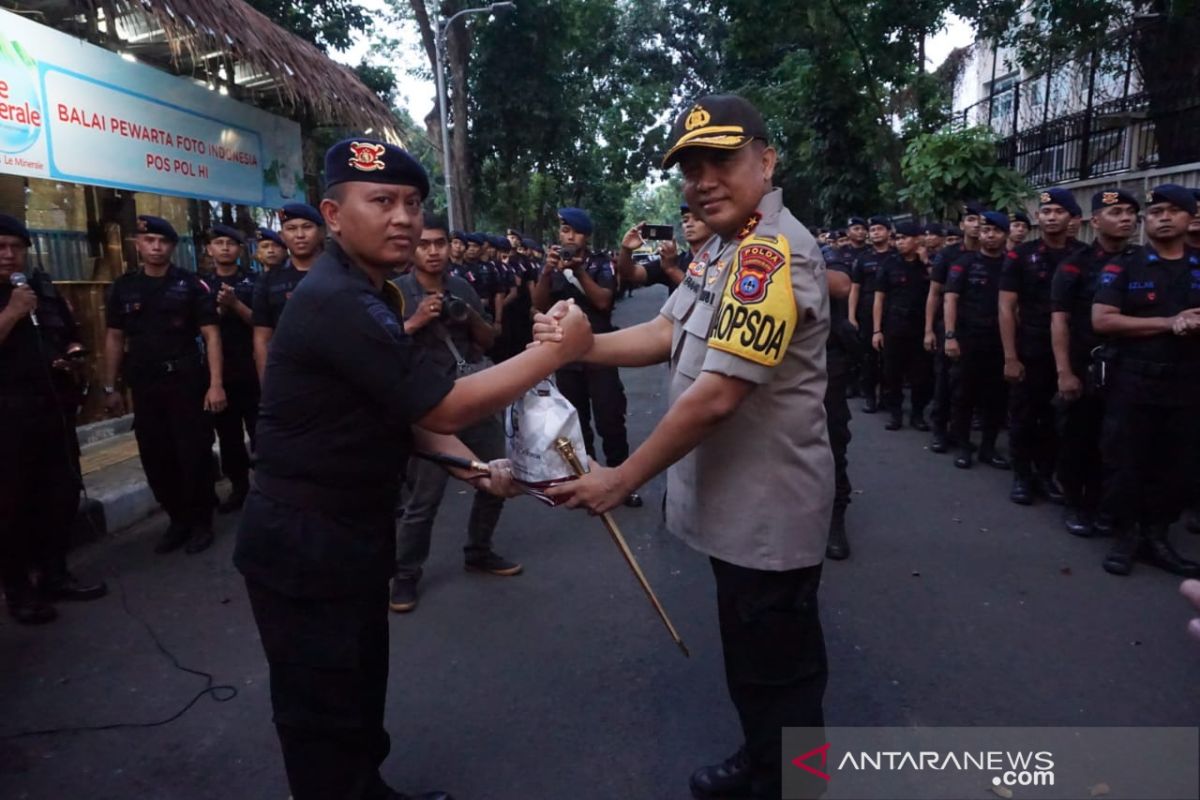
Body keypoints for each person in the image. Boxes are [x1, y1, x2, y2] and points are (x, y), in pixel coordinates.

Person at [234, 137, 594, 800]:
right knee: (321, 713)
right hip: (305, 539)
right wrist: (552, 355)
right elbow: (448, 404)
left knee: (358, 690)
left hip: (349, 529)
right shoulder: (336, 299)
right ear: (334, 215)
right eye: (382, 202)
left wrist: (477, 469)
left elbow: (409, 418)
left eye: (412, 202)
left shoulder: (372, 294)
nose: (403, 217)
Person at [538, 94, 832, 800]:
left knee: (781, 670)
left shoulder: (772, 254)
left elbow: (719, 394)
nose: (702, 179)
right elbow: (667, 332)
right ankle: (763, 761)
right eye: (690, 166)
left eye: (721, 160)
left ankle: (792, 783)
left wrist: (620, 477)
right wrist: (581, 346)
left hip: (769, 510)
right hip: (736, 507)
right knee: (752, 657)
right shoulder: (725, 249)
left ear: (766, 160)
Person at [389, 213, 521, 613]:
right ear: (411, 248)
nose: (433, 251)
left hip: (471, 396)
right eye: (424, 244)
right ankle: (406, 575)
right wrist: (415, 321)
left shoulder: (462, 284)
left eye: (439, 244)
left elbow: (487, 340)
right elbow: (377, 346)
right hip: (427, 407)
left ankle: (479, 550)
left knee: (496, 475)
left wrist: (470, 314)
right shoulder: (393, 291)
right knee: (424, 499)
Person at [0, 214, 107, 624]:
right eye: (1, 246)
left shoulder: (39, 290)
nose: (10, 255)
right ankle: (19, 591)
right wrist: (11, 311)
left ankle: (55, 574)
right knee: (12, 506)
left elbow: (67, 333)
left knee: (59, 495)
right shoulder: (16, 299)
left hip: (51, 411)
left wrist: (73, 352)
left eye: (16, 247)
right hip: (7, 420)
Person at [1091, 184, 1200, 578]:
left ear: (1190, 219)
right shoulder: (1125, 265)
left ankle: (1158, 536)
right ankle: (1127, 537)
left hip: (1187, 385)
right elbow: (1102, 320)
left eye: (1173, 211)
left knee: (1176, 465)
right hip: (1133, 382)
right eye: (1156, 212)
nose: (1164, 217)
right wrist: (1169, 323)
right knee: (1126, 461)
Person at [104, 215, 226, 554]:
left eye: (163, 241)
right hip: (145, 386)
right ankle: (178, 519)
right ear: (138, 245)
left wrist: (216, 384)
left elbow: (211, 334)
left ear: (172, 246)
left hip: (186, 382)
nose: (156, 247)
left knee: (193, 453)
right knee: (156, 456)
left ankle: (201, 521)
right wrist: (109, 388)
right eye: (149, 241)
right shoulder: (124, 287)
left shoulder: (191, 285)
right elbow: (114, 337)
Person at [532, 207, 642, 508]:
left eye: (574, 231)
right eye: (564, 230)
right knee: (575, 421)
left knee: (610, 417)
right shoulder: (551, 264)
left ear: (586, 236)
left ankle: (622, 481)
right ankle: (584, 480)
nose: (568, 236)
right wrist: (546, 272)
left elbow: (604, 301)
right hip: (566, 355)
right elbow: (538, 305)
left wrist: (578, 271)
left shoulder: (598, 263)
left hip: (600, 351)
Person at [1050, 189, 1139, 538]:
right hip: (1086, 363)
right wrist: (1064, 372)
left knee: (1120, 442)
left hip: (1130, 367)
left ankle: (1110, 507)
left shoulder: (1143, 261)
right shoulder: (1076, 263)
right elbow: (1059, 320)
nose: (1126, 218)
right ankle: (1078, 503)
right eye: (1116, 212)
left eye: (1131, 212)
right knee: (1080, 438)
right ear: (1095, 220)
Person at [1000, 188, 1081, 505]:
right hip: (1030, 345)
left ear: (1073, 218)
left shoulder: (1082, 255)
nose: (1051, 217)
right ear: (1038, 218)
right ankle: (1022, 476)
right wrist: (1010, 356)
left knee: (1057, 417)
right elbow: (1006, 307)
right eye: (1046, 212)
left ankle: (1046, 474)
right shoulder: (1020, 255)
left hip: (1071, 349)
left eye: (1058, 212)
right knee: (1023, 414)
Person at [943, 211, 1011, 470]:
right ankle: (963, 445)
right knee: (963, 394)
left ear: (1005, 234)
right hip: (969, 337)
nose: (989, 235)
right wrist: (950, 335)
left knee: (996, 396)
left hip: (1000, 340)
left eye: (996, 231)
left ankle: (989, 447)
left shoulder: (1011, 264)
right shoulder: (964, 263)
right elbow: (950, 299)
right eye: (985, 230)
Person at [205, 224, 259, 513]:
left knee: (261, 430)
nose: (225, 247)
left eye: (231, 243)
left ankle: (267, 485)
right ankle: (239, 487)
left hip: (251, 370)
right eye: (219, 242)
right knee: (227, 435)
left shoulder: (253, 282)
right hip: (217, 374)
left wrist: (235, 304)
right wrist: (217, 310)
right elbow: (195, 327)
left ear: (240, 250)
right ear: (209, 249)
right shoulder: (200, 285)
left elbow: (262, 323)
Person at [924, 203, 982, 453]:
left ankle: (962, 435)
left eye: (981, 220)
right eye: (971, 219)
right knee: (944, 382)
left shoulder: (993, 253)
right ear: (962, 225)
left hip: (979, 330)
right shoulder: (948, 255)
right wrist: (928, 330)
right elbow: (935, 293)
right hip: (948, 328)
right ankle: (939, 430)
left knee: (969, 386)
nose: (977, 224)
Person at [252, 203, 324, 384]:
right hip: (290, 377)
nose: (300, 235)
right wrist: (266, 386)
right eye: (291, 229)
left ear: (321, 232)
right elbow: (262, 337)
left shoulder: (343, 273)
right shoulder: (268, 281)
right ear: (283, 236)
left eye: (307, 227)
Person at [872, 221, 932, 431]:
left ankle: (917, 414)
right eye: (898, 238)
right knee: (892, 372)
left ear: (917, 240)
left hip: (920, 327)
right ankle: (895, 414)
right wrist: (877, 330)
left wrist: (926, 263)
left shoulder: (927, 265)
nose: (900, 242)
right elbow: (879, 299)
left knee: (921, 374)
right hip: (894, 325)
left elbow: (938, 290)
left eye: (905, 238)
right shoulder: (889, 264)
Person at [824, 237, 856, 560]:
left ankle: (835, 519)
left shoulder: (812, 248)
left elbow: (841, 285)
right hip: (775, 362)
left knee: (832, 442)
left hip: (824, 359)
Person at [848, 215, 894, 412]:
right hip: (866, 311)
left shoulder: (896, 256)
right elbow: (855, 288)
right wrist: (851, 316)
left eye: (879, 229)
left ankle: (887, 395)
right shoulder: (863, 258)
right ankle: (869, 396)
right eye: (873, 229)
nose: (875, 233)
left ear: (888, 232)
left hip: (892, 311)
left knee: (890, 358)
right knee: (869, 357)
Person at [616, 204, 713, 290]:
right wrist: (626, 250)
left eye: (697, 219)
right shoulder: (673, 261)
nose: (689, 224)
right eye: (685, 220)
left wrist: (672, 270)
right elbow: (630, 274)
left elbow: (706, 298)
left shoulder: (722, 260)